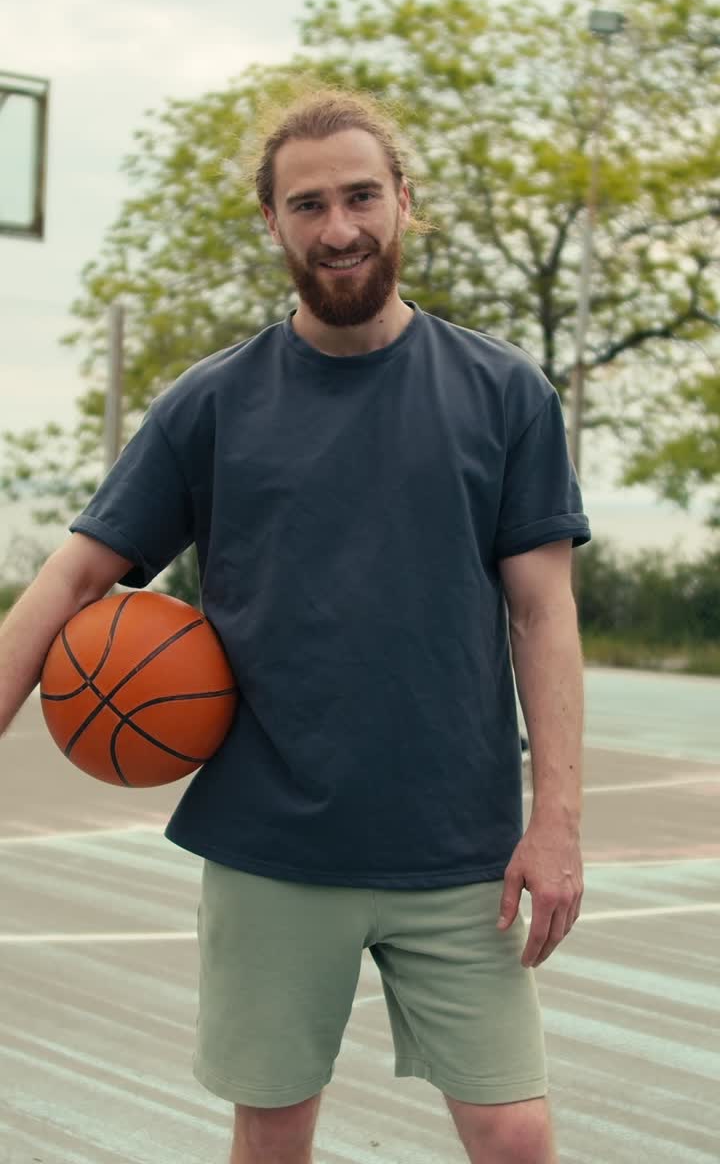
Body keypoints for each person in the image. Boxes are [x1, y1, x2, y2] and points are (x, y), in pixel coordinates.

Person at [0, 86, 590, 1164]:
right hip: (272, 843)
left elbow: (543, 612)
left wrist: (557, 818)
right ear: (272, 221)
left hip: (461, 848)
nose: (340, 227)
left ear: (406, 202)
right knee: (271, 1137)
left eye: (362, 195)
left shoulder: (506, 393)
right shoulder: (210, 404)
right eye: (308, 203)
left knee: (514, 1136)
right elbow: (75, 576)